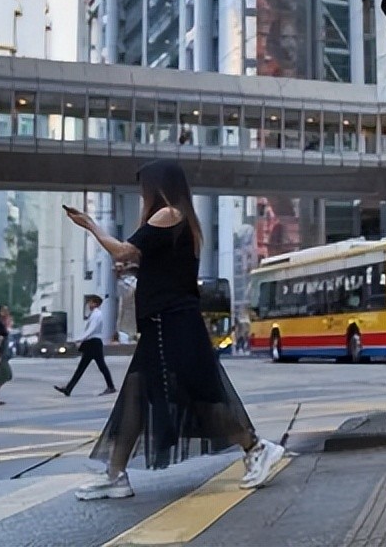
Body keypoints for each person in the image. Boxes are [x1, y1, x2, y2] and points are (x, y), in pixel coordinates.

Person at [64, 160, 286, 501]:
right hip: (162, 323)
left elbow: (125, 249)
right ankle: (116, 474)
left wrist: (91, 225)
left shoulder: (168, 213)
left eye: (144, 189)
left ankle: (257, 447)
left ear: (159, 187)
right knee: (137, 394)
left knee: (202, 393)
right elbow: (152, 265)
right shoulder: (177, 218)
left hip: (173, 323)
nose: (141, 196)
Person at [55, 295, 116, 397]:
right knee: (84, 367)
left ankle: (111, 387)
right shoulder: (93, 314)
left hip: (94, 343)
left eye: (91, 302)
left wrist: (79, 338)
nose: (89, 304)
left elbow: (91, 330)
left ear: (96, 303)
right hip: (91, 343)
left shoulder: (97, 314)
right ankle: (68, 389)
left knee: (100, 366)